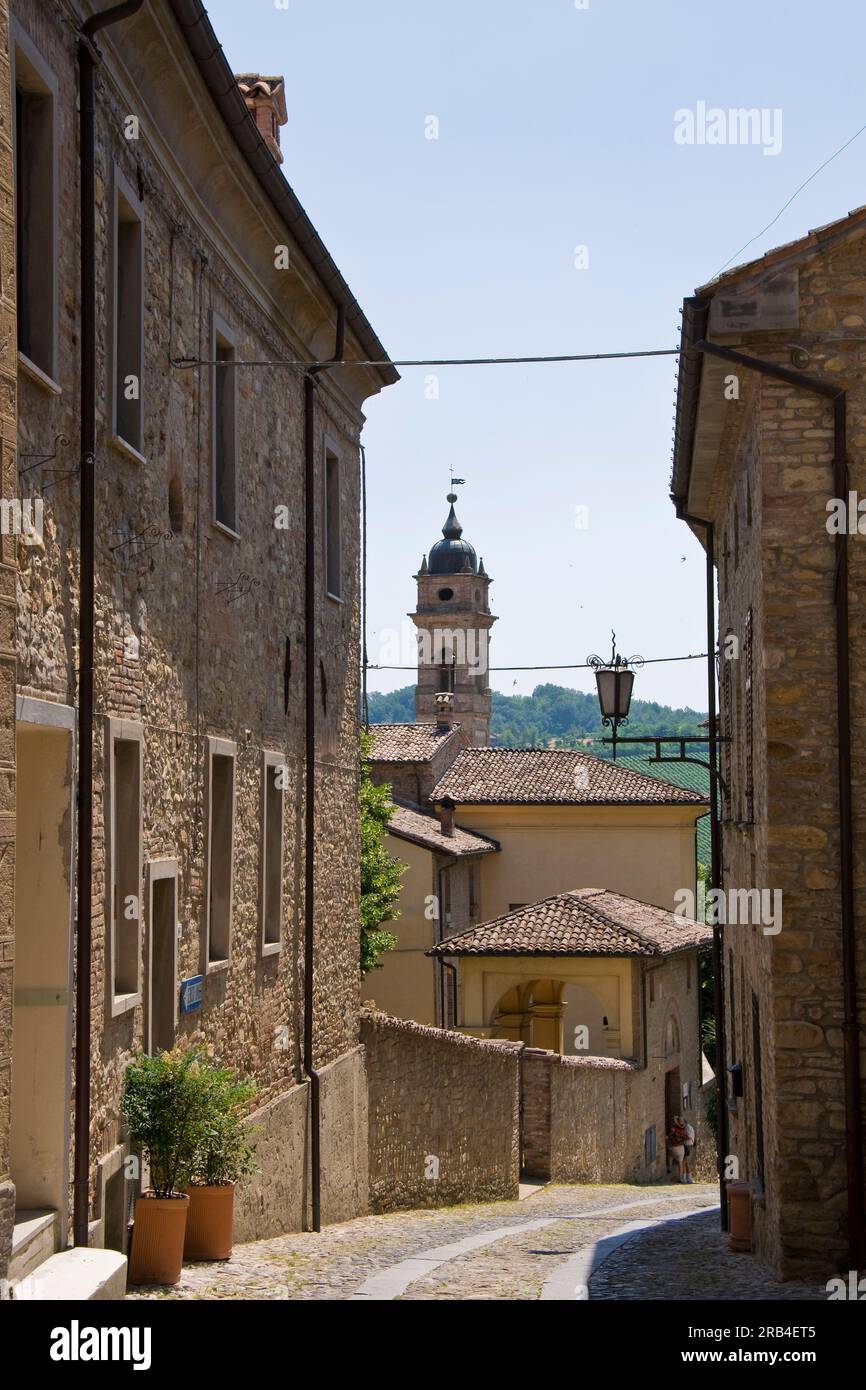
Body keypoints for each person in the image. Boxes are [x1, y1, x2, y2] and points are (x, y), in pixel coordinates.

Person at [670, 1115, 688, 1183]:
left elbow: (670, 1136)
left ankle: (669, 1169)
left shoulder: (674, 1129)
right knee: (680, 1163)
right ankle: (680, 1178)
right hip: (681, 1147)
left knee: (670, 1156)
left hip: (674, 1147)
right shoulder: (684, 1129)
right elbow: (686, 1137)